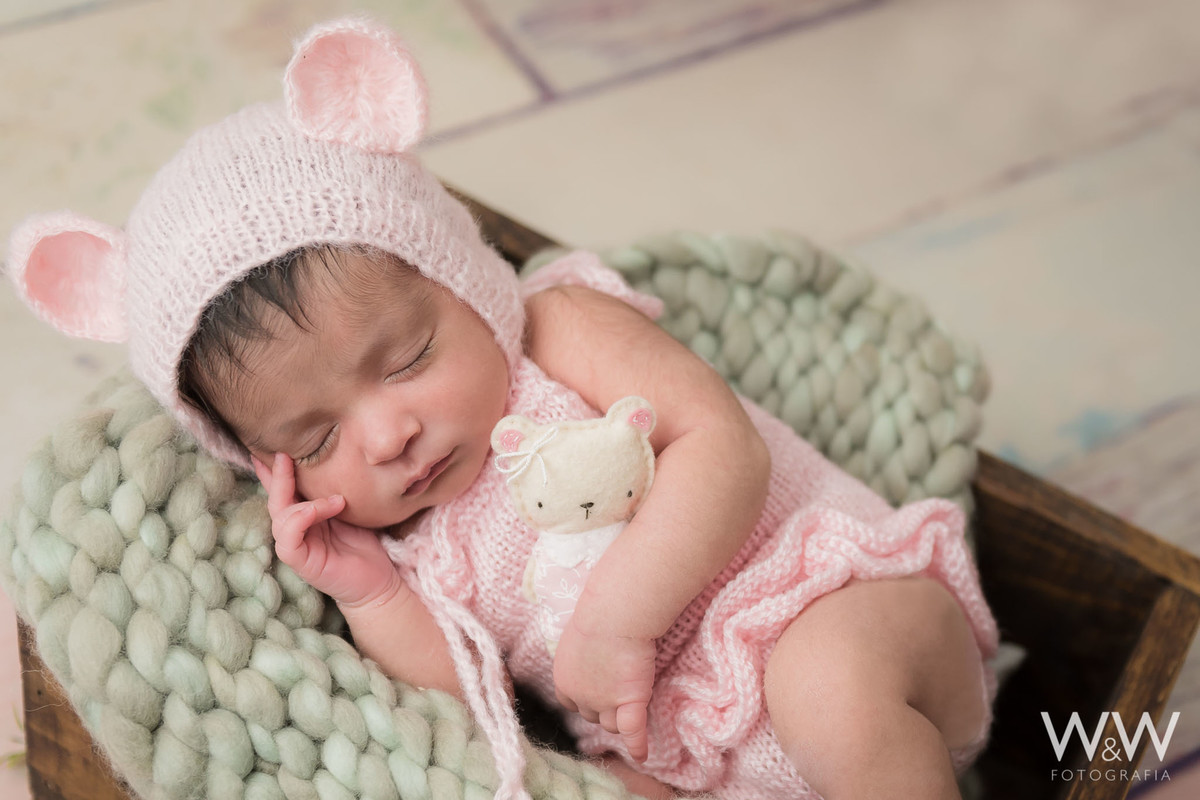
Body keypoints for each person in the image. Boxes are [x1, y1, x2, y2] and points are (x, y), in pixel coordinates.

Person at [7, 17, 998, 800]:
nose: (386, 432)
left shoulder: (559, 326)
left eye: (408, 357)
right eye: (314, 437)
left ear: (467, 283)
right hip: (703, 757)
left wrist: (619, 622)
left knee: (827, 687)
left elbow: (718, 444)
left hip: (845, 611)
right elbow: (458, 701)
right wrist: (370, 593)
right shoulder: (408, 544)